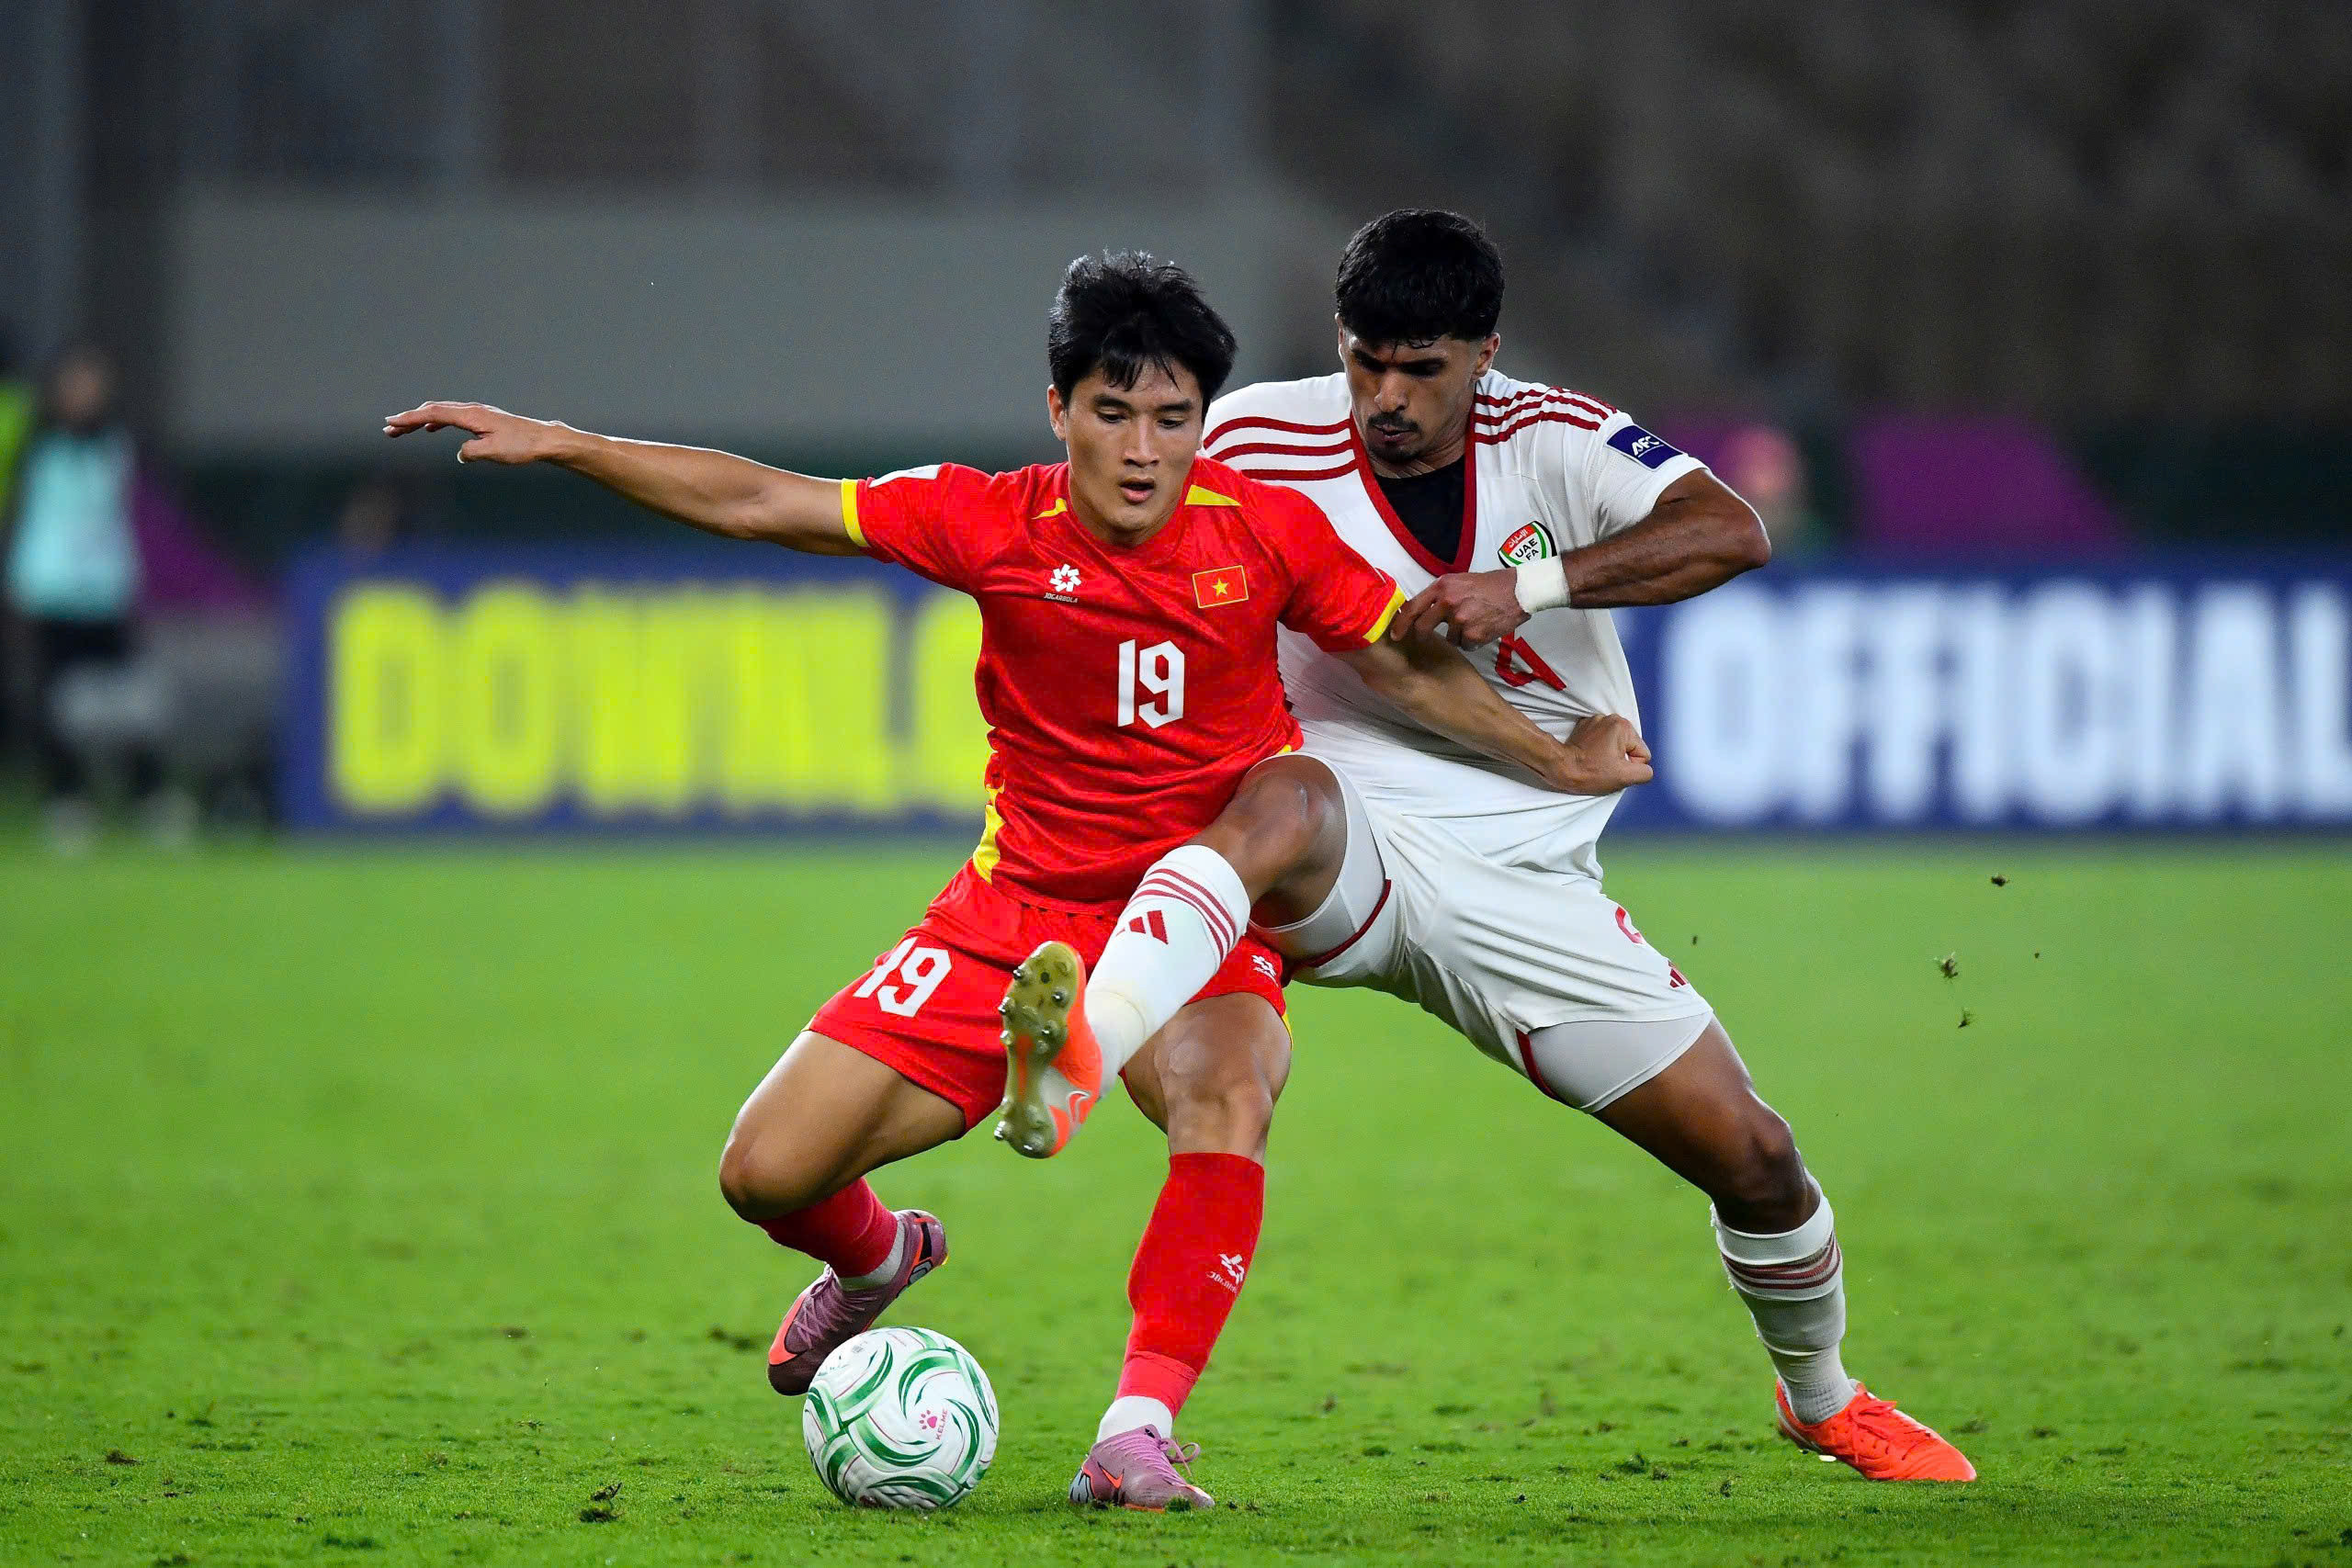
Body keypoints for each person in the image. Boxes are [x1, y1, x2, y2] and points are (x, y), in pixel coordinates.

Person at [384, 252, 1649, 1510]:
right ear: (1059, 409)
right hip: (1014, 916)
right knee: (763, 1173)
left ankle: (1135, 1432)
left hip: (1200, 911)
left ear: (1202, 421)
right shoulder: (992, 520)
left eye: (1173, 418)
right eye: (1113, 412)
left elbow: (1399, 662)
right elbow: (763, 501)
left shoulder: (1263, 529)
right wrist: (569, 444)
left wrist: (1554, 756)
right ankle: (880, 1258)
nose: (1143, 450)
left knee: (1229, 1089)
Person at [1008, 212, 1976, 1483]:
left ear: (1485, 355)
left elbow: (1730, 529)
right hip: (1345, 817)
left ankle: (1823, 1396)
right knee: (1284, 800)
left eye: (1421, 369)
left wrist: (1531, 586)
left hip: (1523, 868)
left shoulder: (1556, 438)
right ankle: (1081, 1046)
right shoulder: (1253, 436)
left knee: (1754, 1155)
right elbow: (1104, 528)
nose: (1386, 398)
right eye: (1365, 362)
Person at [2, 344, 155, 852]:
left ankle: (145, 795)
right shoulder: (35, 449)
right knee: (57, 702)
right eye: (74, 384)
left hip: (106, 588)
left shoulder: (116, 446)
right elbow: (23, 518)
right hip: (51, 589)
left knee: (126, 699)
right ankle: (67, 799)